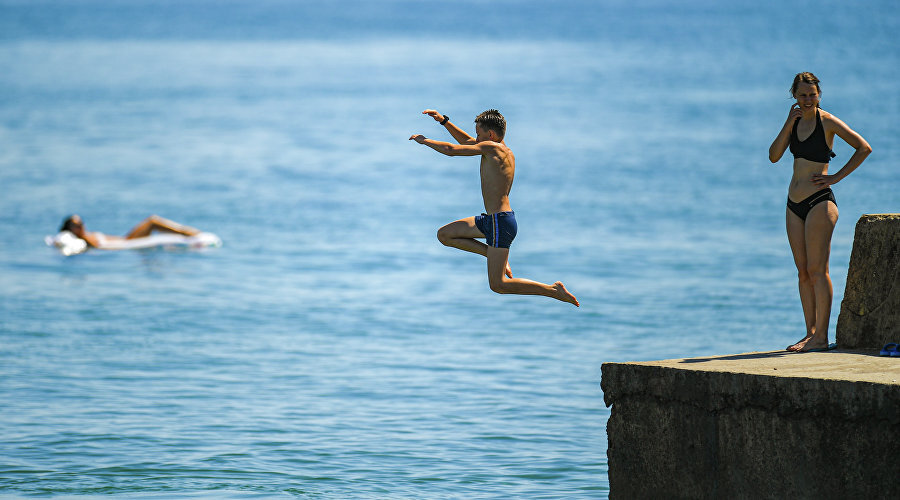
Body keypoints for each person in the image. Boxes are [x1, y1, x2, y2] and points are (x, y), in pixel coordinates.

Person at [409, 109, 579, 306]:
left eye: (479, 134)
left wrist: (425, 141)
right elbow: (465, 142)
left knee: (498, 285)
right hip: (492, 220)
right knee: (445, 235)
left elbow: (451, 150)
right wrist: (444, 121)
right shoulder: (497, 148)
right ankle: (490, 252)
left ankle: (552, 290)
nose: (476, 138)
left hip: (500, 222)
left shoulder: (494, 149)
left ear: (490, 135)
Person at [768, 72, 871, 352]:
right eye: (802, 95)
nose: (808, 99)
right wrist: (789, 121)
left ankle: (822, 337)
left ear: (819, 94)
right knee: (802, 272)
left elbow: (863, 148)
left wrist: (835, 177)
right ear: (794, 96)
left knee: (817, 270)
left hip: (820, 202)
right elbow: (774, 155)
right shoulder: (795, 121)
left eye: (812, 94)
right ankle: (810, 333)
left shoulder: (827, 121)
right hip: (793, 203)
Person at [59, 214, 201, 249]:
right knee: (152, 221)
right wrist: (83, 236)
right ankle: (190, 233)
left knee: (152, 221)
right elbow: (97, 247)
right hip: (127, 242)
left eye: (81, 223)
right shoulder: (84, 239)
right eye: (76, 225)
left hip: (125, 239)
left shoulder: (87, 235)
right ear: (69, 228)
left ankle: (188, 233)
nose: (81, 226)